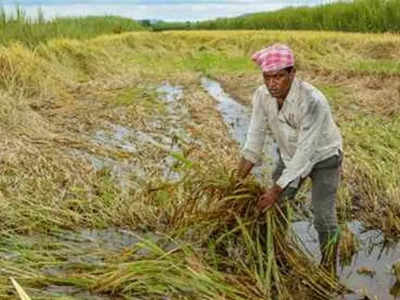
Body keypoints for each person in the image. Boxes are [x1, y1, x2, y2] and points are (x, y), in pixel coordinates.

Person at [237, 44, 343, 273]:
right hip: (289, 155)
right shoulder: (262, 96)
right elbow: (254, 138)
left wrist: (276, 189)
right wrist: (236, 181)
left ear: (292, 73)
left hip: (324, 158)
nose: (272, 83)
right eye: (267, 77)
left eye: (279, 77)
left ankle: (328, 268)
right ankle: (276, 254)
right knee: (276, 208)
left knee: (323, 216)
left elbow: (306, 153)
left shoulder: (313, 101)